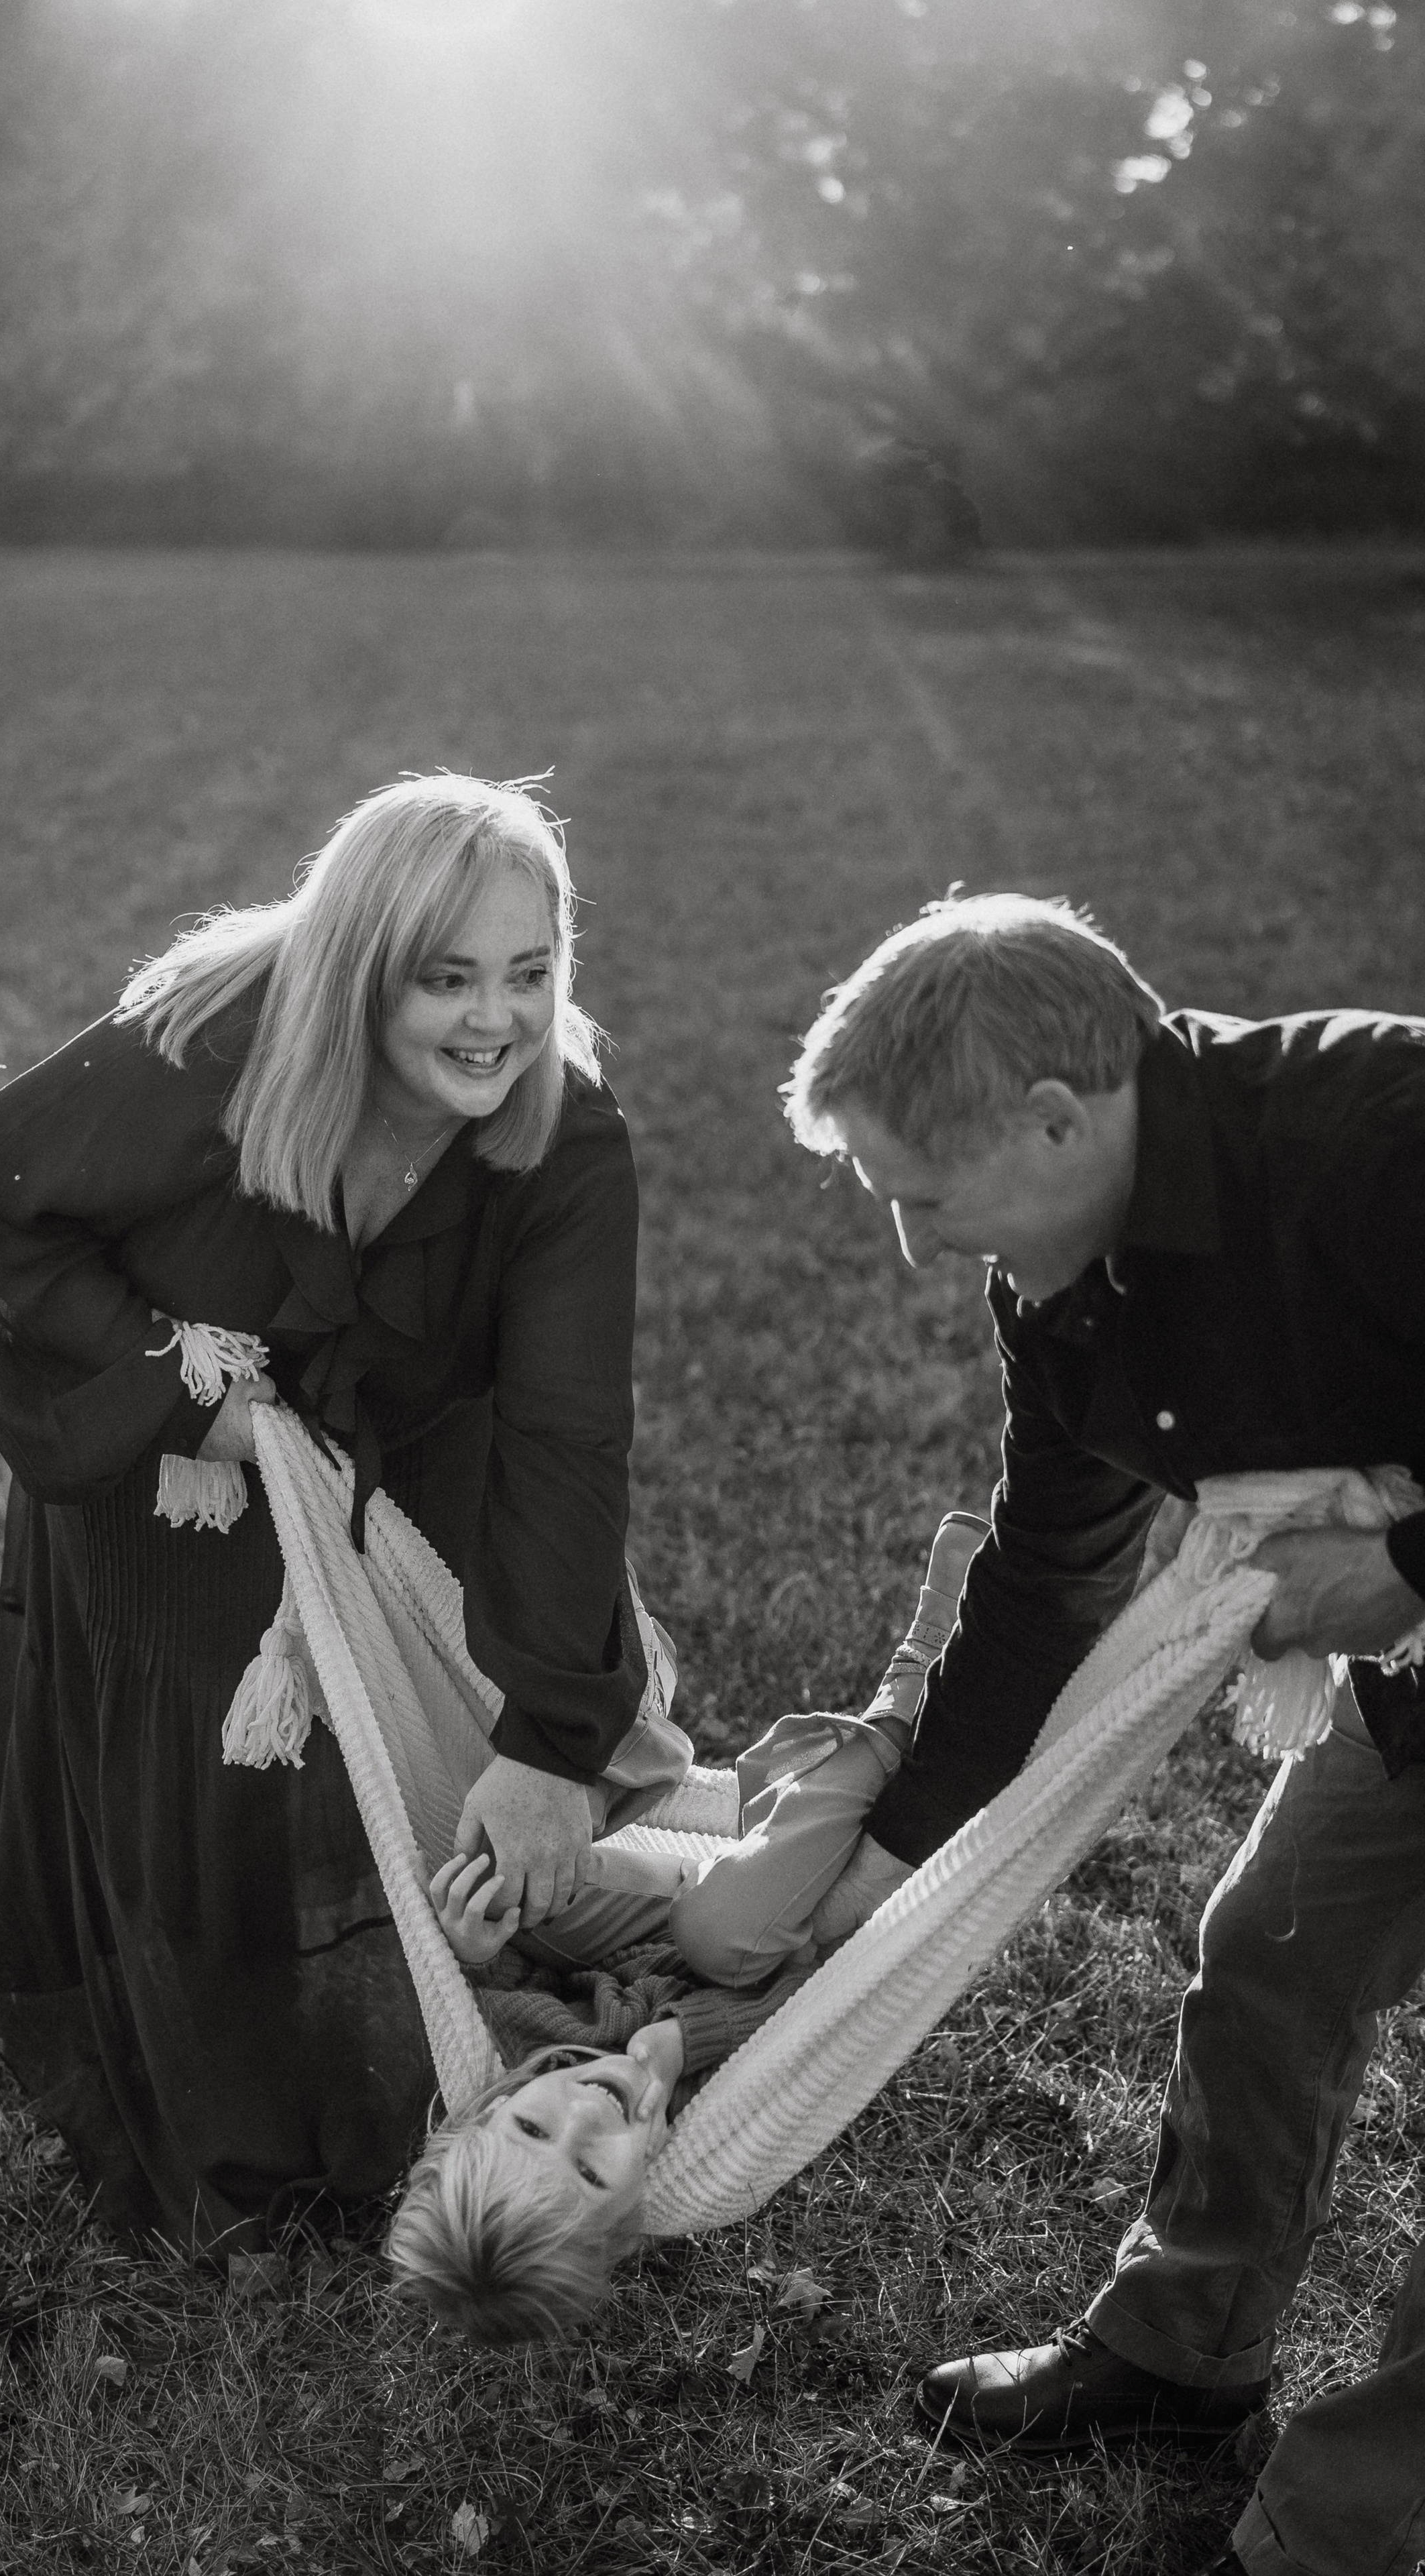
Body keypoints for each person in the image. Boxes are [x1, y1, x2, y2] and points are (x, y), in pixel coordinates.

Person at [0, 773, 663, 2251]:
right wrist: (186, 1395)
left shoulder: (561, 1137)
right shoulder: (212, 1043)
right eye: (445, 978)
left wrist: (545, 1737)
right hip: (179, 1479)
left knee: (411, 1801)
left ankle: (414, 2058)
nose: (490, 1020)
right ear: (358, 970)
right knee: (222, 1781)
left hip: (405, 1472)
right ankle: (241, 2082)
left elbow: (567, 1437)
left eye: (527, 974)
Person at [782, 893, 1425, 2576]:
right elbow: (1046, 1569)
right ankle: (1175, 2352)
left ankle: (1348, 2521)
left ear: (1059, 1119)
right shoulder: (1060, 1273)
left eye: (925, 1194)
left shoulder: (1377, 1135)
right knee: (1272, 1946)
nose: (917, 1243)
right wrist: (883, 1875)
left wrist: (1396, 1566)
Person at [387, 1513, 986, 2343]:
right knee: (722, 1934)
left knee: (516, 1884)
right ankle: (913, 1692)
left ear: (480, 2117)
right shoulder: (705, 2150)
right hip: (770, 1931)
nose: (581, 2114)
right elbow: (789, 2003)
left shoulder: (512, 2052)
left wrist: (477, 1949)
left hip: (650, 1894)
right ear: (629, 2216)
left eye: (530, 2126)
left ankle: (629, 1752)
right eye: (591, 2168)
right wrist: (679, 2042)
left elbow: (504, 1984)